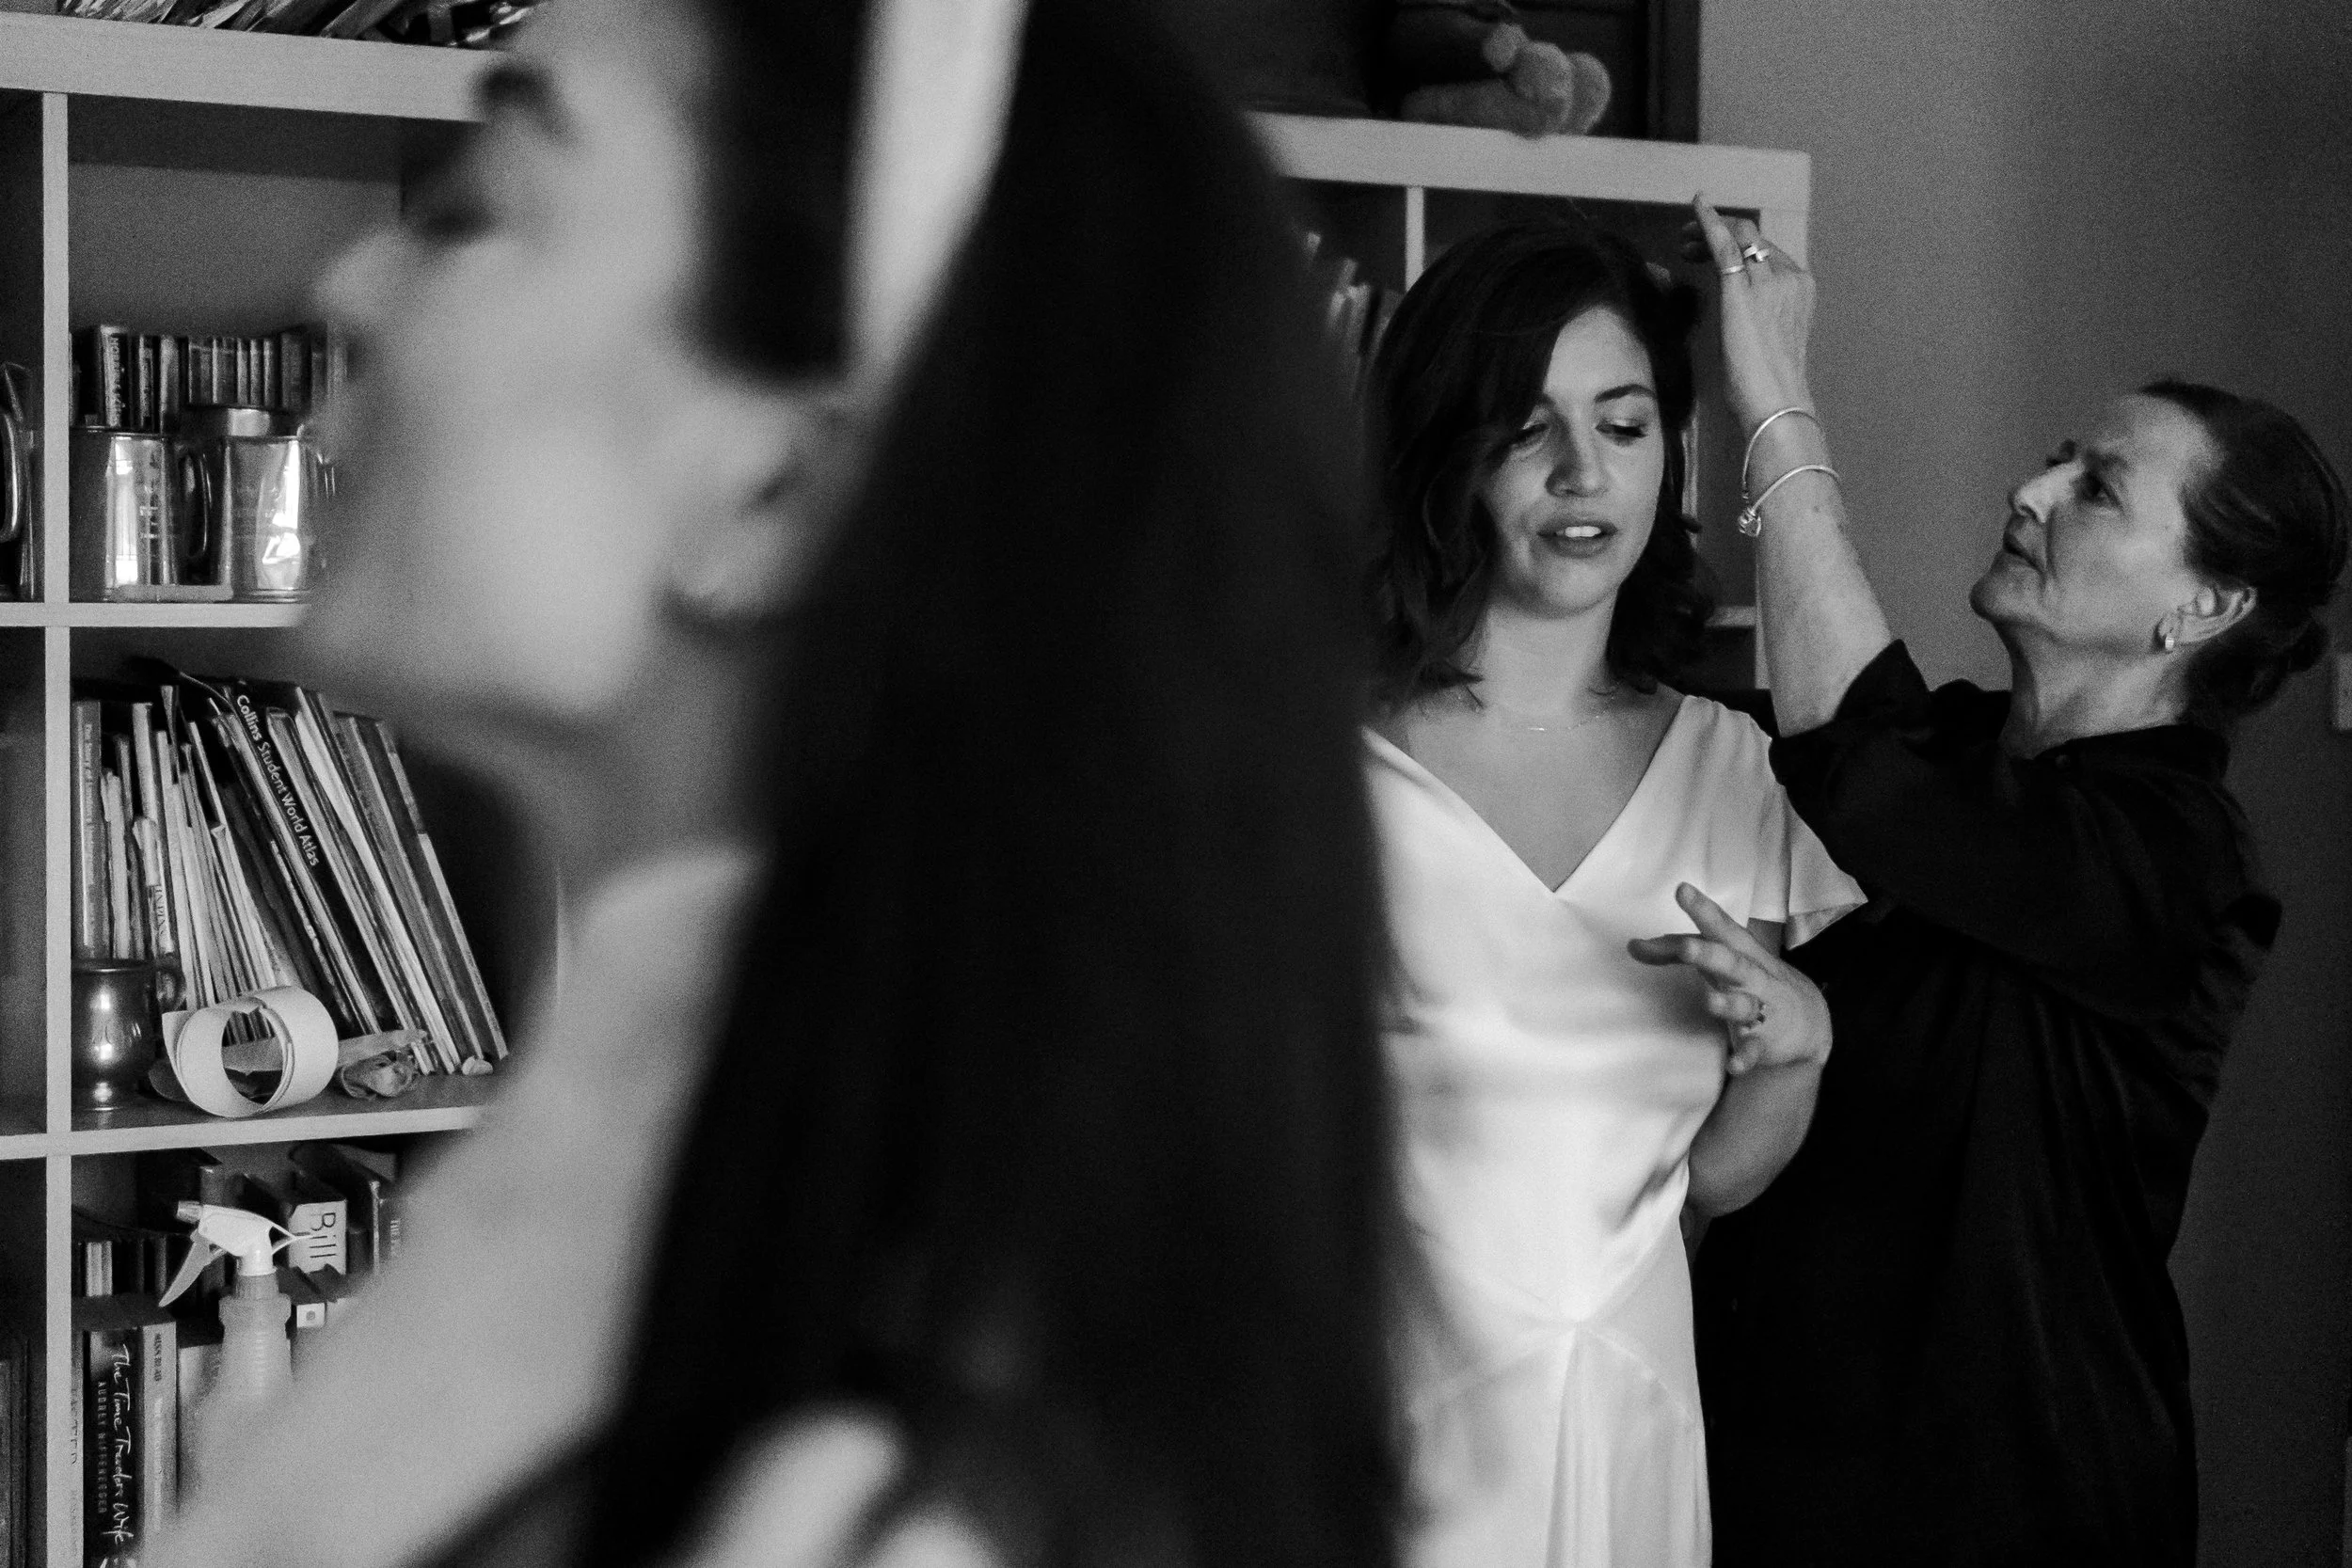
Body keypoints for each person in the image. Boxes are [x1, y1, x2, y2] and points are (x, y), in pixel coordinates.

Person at [147, 3, 1407, 1567]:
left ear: (777, 490)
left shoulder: (883, 1506)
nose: (346, 280)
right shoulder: (635, 1193)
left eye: (481, 213)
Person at [1686, 198, 2349, 1566]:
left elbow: (1860, 764)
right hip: (1784, 1487)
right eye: (2055, 461)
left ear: (2205, 609)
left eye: (2096, 487)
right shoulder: (1963, 771)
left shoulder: (2183, 863)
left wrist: (1778, 403)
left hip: (2016, 1508)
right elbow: (1860, 752)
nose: (2030, 492)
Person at [1362, 219, 1863, 1568]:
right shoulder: (1318, 769)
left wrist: (1795, 1053)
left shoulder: (1736, 770)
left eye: (1625, 423)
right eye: (1528, 428)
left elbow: (1702, 1187)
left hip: (1634, 1403)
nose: (1585, 474)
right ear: (1444, 451)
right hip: (1380, 1420)